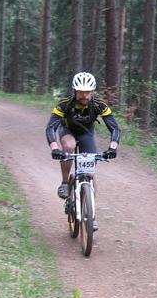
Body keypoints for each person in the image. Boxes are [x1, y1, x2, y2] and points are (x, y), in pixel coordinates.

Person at [45, 72, 121, 229]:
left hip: (86, 133)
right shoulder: (64, 104)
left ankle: (91, 215)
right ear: (74, 90)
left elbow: (114, 128)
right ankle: (65, 183)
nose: (84, 95)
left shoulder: (99, 105)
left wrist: (112, 147)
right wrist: (54, 148)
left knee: (91, 175)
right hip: (68, 131)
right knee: (69, 146)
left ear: (93, 91)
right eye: (81, 91)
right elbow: (51, 128)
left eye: (87, 91)